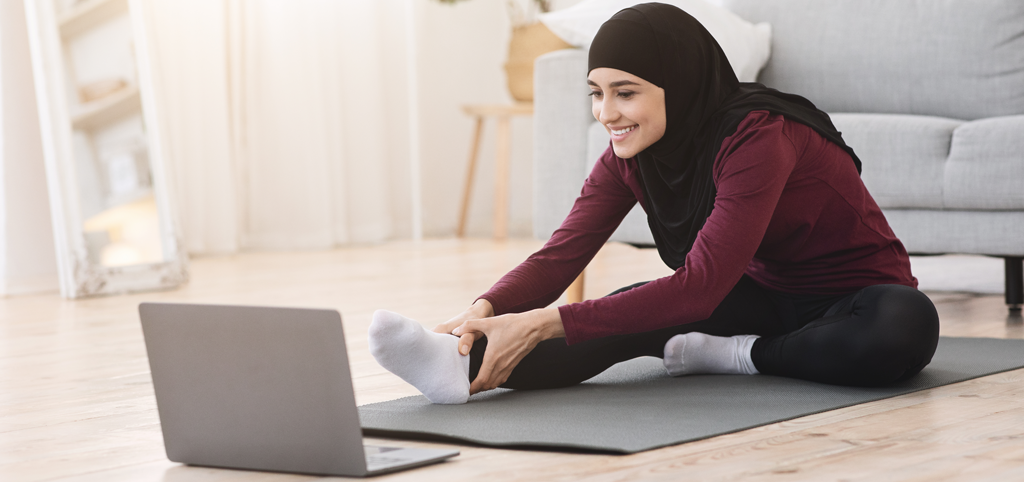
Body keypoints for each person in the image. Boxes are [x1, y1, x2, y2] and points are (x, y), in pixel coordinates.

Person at [368, 2, 940, 405]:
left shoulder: (760, 136)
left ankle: (734, 355)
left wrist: (546, 321)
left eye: (626, 92)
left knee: (904, 328)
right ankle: (454, 366)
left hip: (855, 299)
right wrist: (486, 310)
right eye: (597, 93)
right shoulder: (631, 154)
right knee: (627, 311)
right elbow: (560, 256)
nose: (607, 113)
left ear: (680, 82)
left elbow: (701, 286)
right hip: (761, 296)